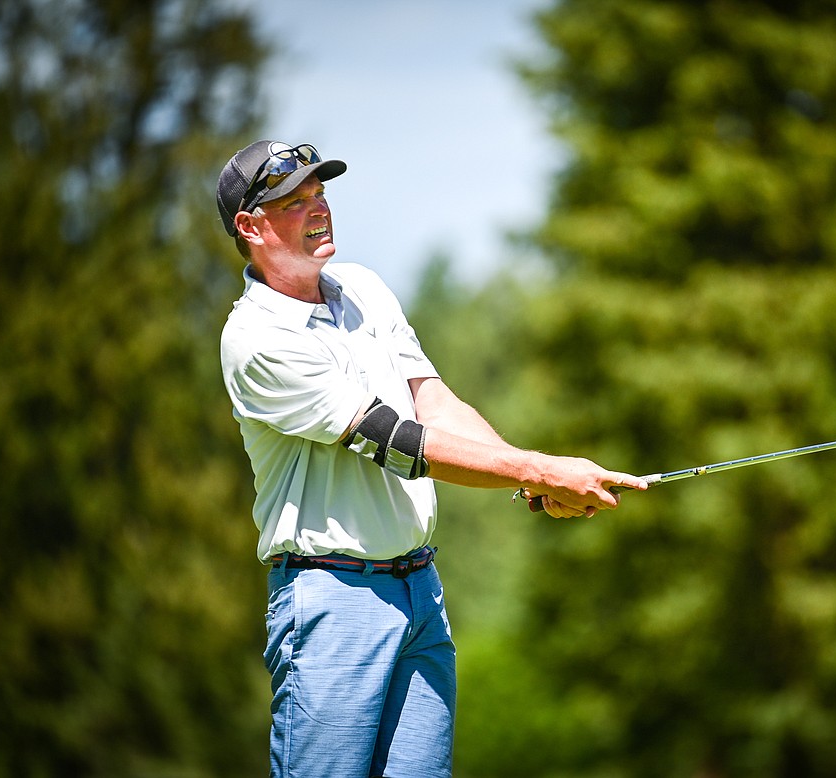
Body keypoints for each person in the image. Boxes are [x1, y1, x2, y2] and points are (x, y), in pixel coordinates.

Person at [215, 140, 646, 778]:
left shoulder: (362, 287)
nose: (320, 209)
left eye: (321, 193)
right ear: (250, 227)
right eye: (295, 201)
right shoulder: (256, 339)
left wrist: (525, 476)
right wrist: (542, 469)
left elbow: (433, 403)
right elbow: (398, 442)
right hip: (332, 601)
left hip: (420, 589)